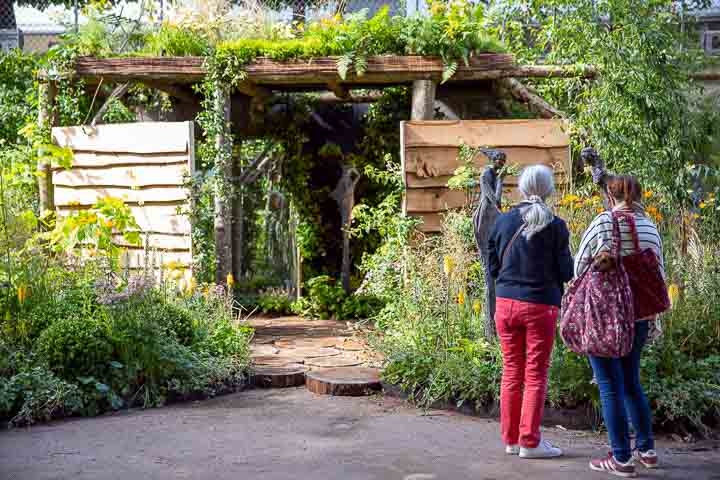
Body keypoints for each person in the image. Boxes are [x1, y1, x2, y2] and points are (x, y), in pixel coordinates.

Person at [575, 175, 663, 477]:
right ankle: (647, 450)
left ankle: (621, 458)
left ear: (611, 196)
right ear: (638, 195)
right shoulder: (650, 226)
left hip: (607, 317)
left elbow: (578, 266)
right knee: (630, 381)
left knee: (609, 385)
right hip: (639, 317)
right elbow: (658, 274)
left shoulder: (603, 222)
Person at [488, 165, 573, 459]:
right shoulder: (556, 225)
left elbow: (493, 268)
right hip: (540, 305)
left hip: (506, 304)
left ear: (522, 188)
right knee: (535, 374)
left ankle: (511, 440)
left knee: (512, 371)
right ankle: (530, 442)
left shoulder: (502, 222)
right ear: (548, 190)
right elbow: (566, 272)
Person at [473, 148, 506, 338]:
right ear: (494, 159)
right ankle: (490, 330)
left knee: (493, 273)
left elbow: (498, 201)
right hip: (486, 219)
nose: (502, 163)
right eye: (500, 159)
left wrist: (501, 179)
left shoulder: (494, 174)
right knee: (489, 274)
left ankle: (493, 330)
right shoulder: (486, 173)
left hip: (493, 217)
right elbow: (493, 199)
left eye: (504, 160)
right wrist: (500, 180)